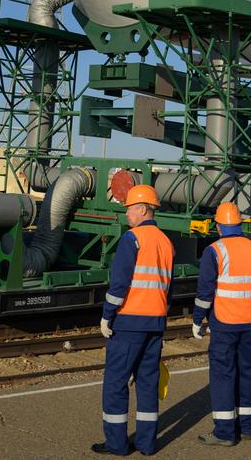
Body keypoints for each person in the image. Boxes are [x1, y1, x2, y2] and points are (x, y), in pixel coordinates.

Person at [93, 185, 173, 457]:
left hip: (129, 322)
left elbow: (119, 285)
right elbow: (167, 287)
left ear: (142, 209)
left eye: (128, 208)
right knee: (148, 383)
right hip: (155, 322)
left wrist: (107, 316)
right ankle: (147, 444)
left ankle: (116, 444)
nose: (126, 213)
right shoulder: (165, 241)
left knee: (116, 383)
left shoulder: (132, 239)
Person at [192, 202, 251, 447]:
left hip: (224, 324)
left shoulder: (214, 251)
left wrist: (197, 320)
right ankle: (247, 427)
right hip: (249, 322)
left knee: (223, 376)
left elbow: (205, 292)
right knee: (247, 373)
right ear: (239, 224)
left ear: (218, 226)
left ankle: (225, 432)